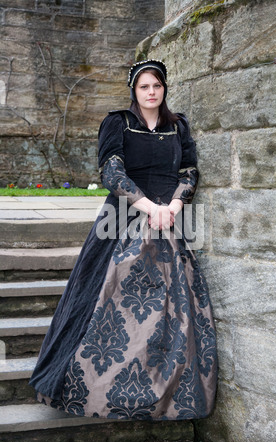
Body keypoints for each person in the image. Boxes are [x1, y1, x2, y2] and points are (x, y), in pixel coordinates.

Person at [29, 59, 217, 420]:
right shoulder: (118, 122)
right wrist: (149, 207)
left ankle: (167, 395)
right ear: (134, 90)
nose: (151, 92)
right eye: (144, 86)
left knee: (173, 308)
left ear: (164, 89)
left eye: (157, 86)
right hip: (124, 217)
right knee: (105, 300)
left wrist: (176, 204)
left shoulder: (178, 126)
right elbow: (112, 171)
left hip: (170, 220)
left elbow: (189, 169)